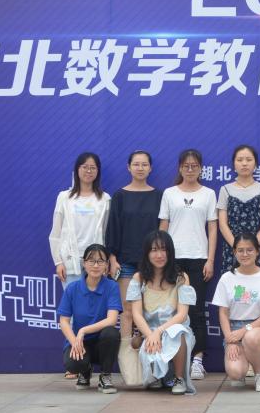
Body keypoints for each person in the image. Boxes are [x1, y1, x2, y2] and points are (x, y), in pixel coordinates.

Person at [159, 149, 218, 381]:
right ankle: (171, 359)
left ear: (201, 169)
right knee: (172, 310)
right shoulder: (169, 193)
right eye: (186, 166)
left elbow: (212, 229)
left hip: (198, 258)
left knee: (196, 310)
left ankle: (197, 360)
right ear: (180, 168)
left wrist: (210, 260)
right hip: (173, 259)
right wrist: (162, 257)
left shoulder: (208, 194)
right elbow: (163, 227)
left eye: (194, 166)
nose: (190, 169)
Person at [127, 230, 196, 395]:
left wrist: (159, 331)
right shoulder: (138, 278)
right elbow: (136, 314)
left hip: (173, 328)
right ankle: (155, 376)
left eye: (163, 249)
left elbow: (182, 315)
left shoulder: (181, 277)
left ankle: (179, 378)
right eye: (154, 250)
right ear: (147, 253)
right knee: (150, 340)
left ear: (170, 252)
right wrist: (151, 334)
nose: (159, 255)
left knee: (178, 331)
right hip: (148, 331)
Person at [212, 233, 260, 392]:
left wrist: (245, 330)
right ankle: (244, 363)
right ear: (234, 252)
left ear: (257, 251)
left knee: (251, 337)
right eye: (240, 250)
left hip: (259, 328)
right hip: (233, 329)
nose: (245, 254)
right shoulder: (226, 278)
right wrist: (230, 340)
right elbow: (223, 313)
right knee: (236, 373)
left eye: (249, 250)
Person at [106, 151, 162, 344]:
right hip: (126, 262)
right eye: (136, 164)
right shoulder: (120, 196)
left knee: (150, 309)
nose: (140, 168)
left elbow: (162, 230)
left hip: (153, 262)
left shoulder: (159, 196)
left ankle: (149, 351)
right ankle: (126, 353)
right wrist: (112, 258)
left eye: (144, 164)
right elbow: (113, 228)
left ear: (150, 168)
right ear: (128, 167)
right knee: (128, 309)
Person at [58, 244, 122, 393]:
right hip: (81, 342)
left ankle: (105, 376)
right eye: (91, 261)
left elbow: (112, 320)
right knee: (73, 363)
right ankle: (85, 371)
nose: (96, 265)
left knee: (111, 333)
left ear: (107, 265)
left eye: (100, 261)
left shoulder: (112, 286)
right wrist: (74, 341)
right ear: (84, 263)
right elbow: (64, 321)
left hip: (101, 342)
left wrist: (83, 330)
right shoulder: (72, 288)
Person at [49, 152, 110, 288]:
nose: (89, 171)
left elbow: (106, 233)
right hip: (70, 261)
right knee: (73, 300)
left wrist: (105, 261)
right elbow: (55, 233)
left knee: (95, 300)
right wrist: (58, 262)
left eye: (93, 168)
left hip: (96, 262)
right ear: (77, 169)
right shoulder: (64, 197)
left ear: (98, 171)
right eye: (85, 167)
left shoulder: (105, 199)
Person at [217, 145, 260, 272]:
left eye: (249, 160)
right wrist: (237, 248)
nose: (244, 163)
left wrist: (251, 248)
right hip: (232, 249)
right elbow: (222, 224)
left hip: (257, 249)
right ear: (234, 164)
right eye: (240, 160)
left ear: (255, 164)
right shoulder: (225, 190)